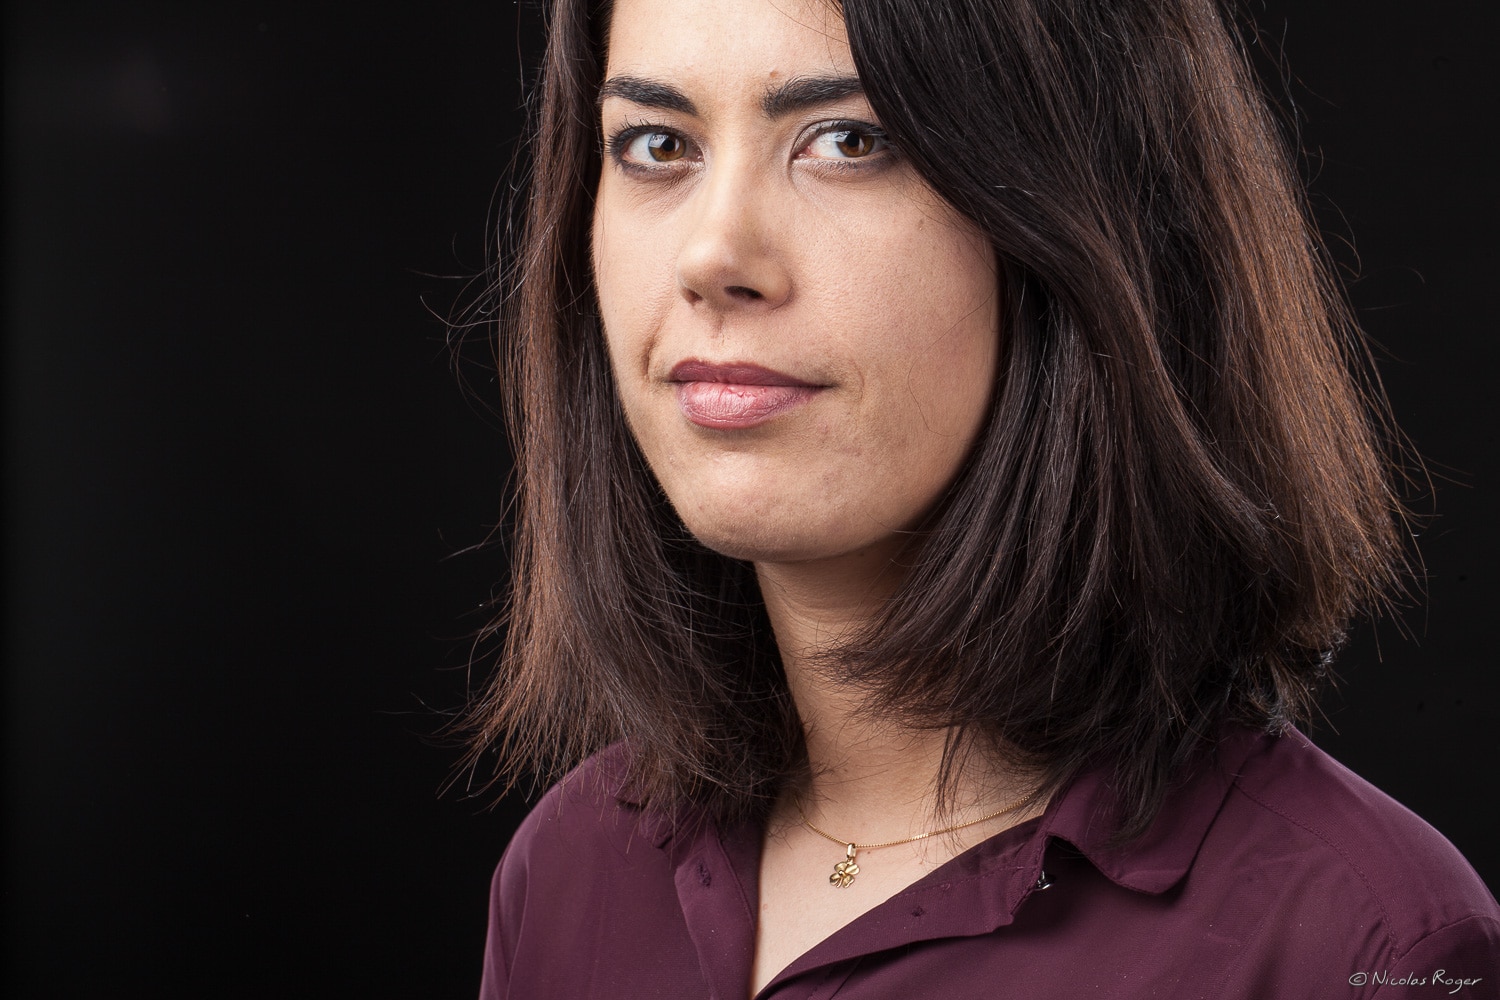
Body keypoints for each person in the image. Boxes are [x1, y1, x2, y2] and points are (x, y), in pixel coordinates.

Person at [463, 0, 1500, 996]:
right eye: (655, 145)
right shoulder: (570, 872)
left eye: (849, 141)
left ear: (1080, 217)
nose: (713, 256)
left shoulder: (1370, 943)